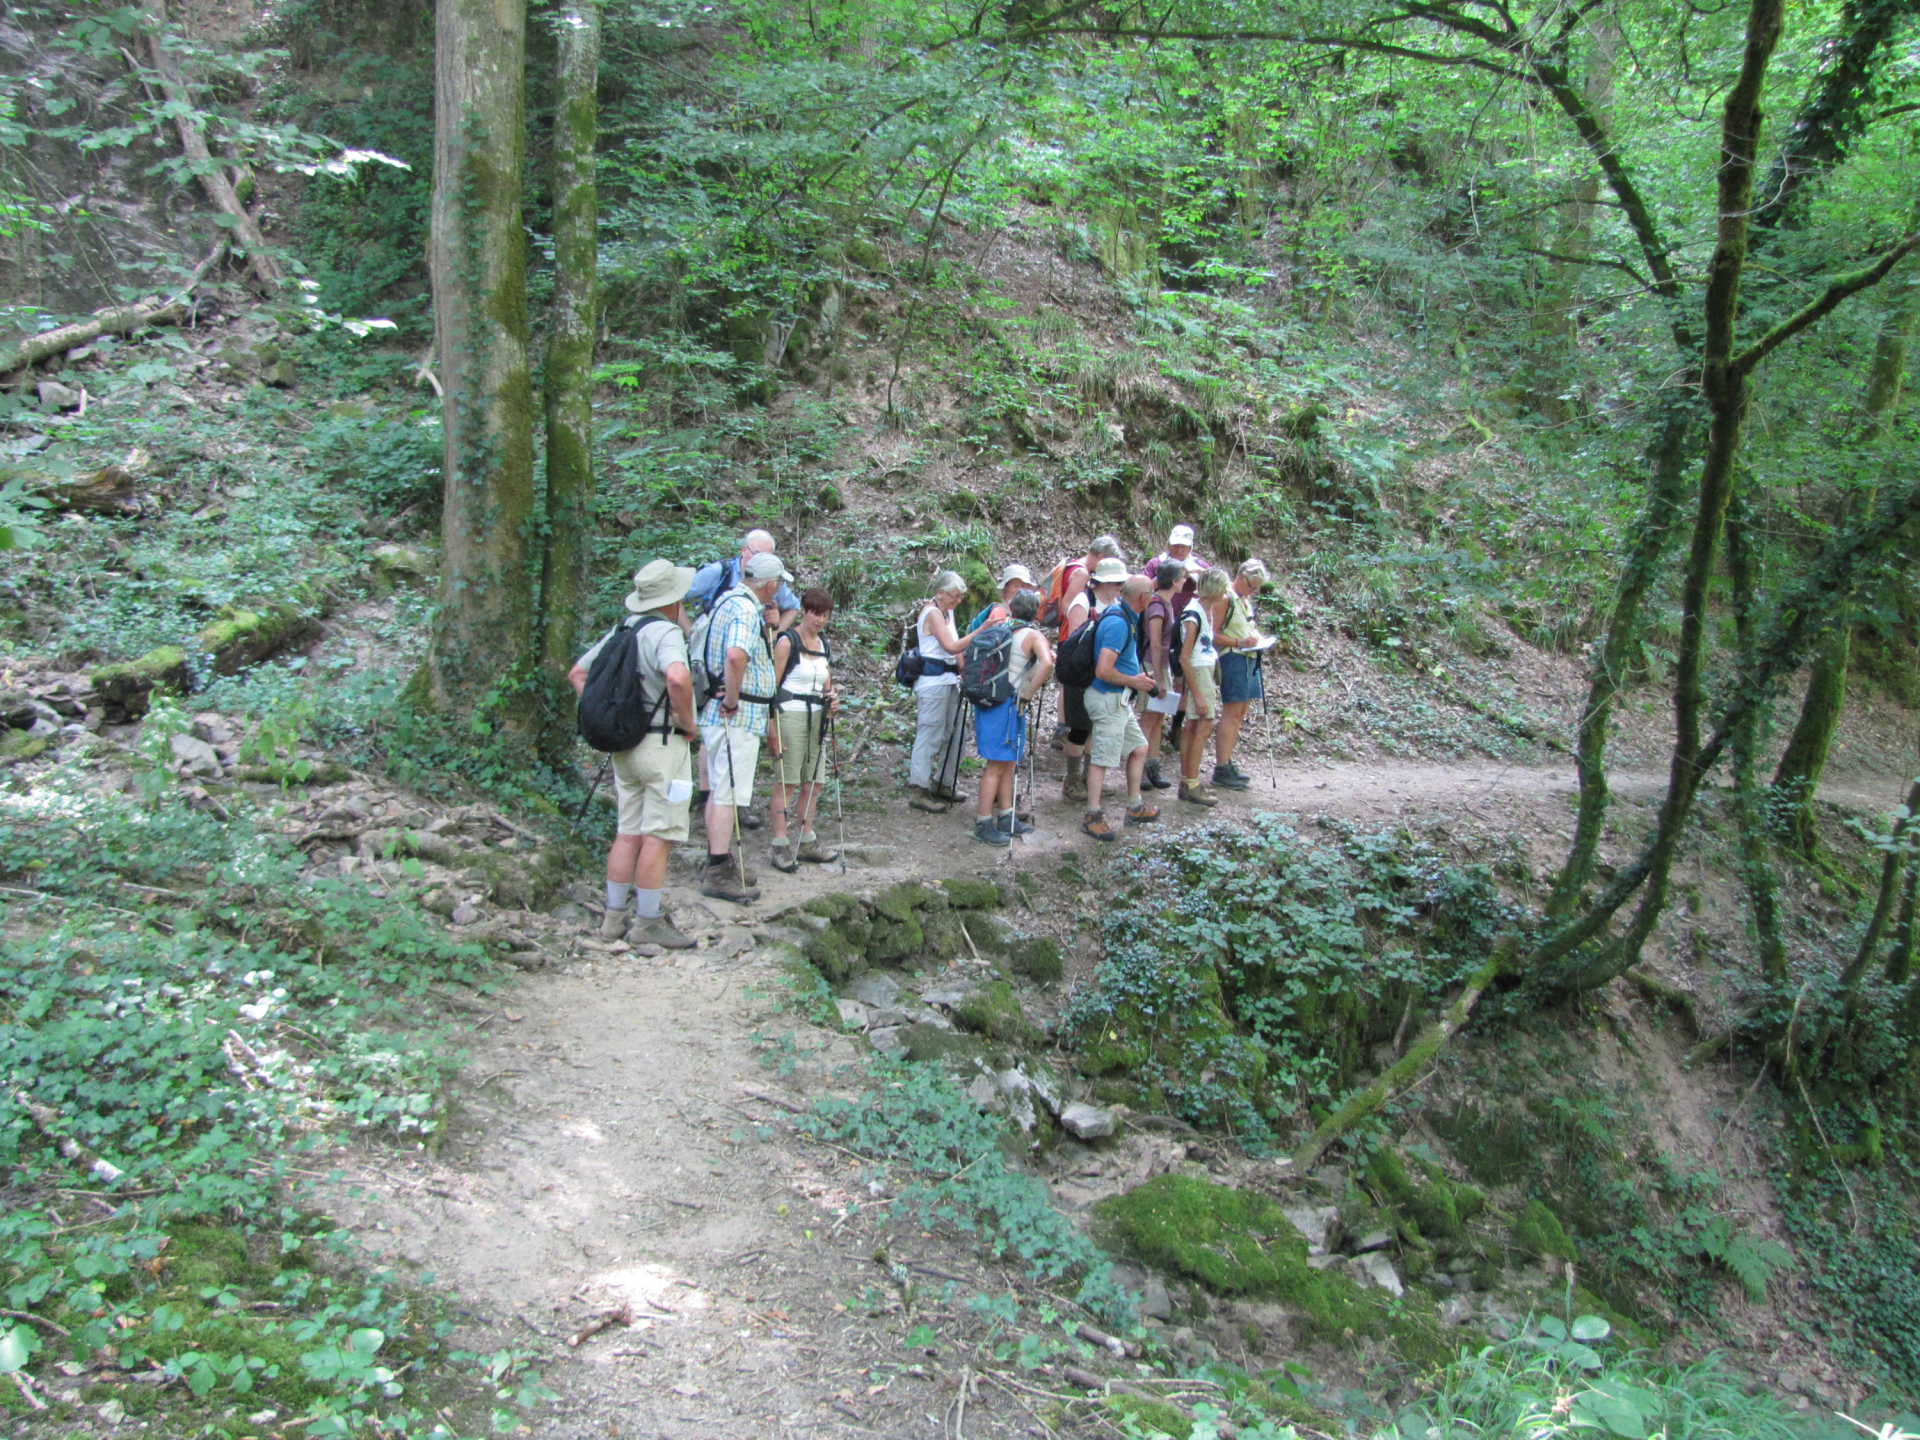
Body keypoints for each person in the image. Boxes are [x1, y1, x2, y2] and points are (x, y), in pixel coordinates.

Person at [567, 559, 702, 950]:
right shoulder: (666, 633)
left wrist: (612, 717)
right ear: (673, 598)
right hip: (663, 748)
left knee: (628, 832)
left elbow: (578, 674)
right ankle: (647, 922)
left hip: (625, 747)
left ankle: (613, 919)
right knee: (659, 836)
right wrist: (687, 722)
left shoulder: (622, 629)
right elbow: (677, 677)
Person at [698, 551, 787, 903]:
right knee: (728, 792)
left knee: (721, 787)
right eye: (778, 583)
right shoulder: (745, 609)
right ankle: (719, 870)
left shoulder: (728, 601)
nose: (778, 590)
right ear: (769, 583)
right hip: (737, 714)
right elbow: (736, 656)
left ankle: (715, 860)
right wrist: (732, 700)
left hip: (729, 713)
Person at [1081, 568, 1161, 842]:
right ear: (1143, 597)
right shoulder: (1118, 623)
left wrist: (1136, 679)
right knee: (1102, 759)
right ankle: (1092, 815)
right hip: (1108, 698)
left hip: (1119, 698)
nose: (1153, 598)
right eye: (1151, 594)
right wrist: (1134, 681)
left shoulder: (1128, 617)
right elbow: (1103, 670)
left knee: (1139, 748)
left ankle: (1135, 807)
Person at [971, 588, 1054, 846]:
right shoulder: (1032, 634)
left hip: (991, 700)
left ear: (1012, 607)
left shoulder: (1001, 627)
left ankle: (1006, 816)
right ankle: (983, 823)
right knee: (997, 766)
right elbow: (1048, 663)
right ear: (1037, 611)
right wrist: (1028, 694)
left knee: (1006, 763)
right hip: (1008, 704)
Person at [768, 588, 840, 872]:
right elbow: (770, 688)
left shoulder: (823, 645)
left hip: (817, 718)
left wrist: (833, 700)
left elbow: (827, 685)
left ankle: (807, 841)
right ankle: (780, 844)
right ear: (804, 611)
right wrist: (771, 728)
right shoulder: (787, 642)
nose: (819, 619)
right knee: (788, 781)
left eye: (824, 614)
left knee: (814, 781)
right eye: (815, 613)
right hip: (790, 715)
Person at [1050, 535, 1124, 801]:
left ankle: (1090, 777)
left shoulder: (1114, 604)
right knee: (1080, 728)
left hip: (1102, 675)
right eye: (1116, 582)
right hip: (1082, 676)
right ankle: (1071, 781)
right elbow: (1078, 641)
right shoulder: (1084, 602)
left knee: (1096, 728)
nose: (1119, 586)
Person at [909, 570, 984, 814]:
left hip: (950, 679)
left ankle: (944, 781)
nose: (958, 601)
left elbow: (956, 644)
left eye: (961, 596)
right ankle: (919, 789)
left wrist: (963, 670)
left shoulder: (947, 611)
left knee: (958, 733)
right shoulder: (932, 613)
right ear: (940, 593)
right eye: (954, 596)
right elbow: (951, 645)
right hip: (932, 683)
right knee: (930, 732)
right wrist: (981, 631)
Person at [1213, 558, 1272, 792]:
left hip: (1249, 658)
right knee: (1231, 711)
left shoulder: (1244, 600)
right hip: (1232, 658)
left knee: (1241, 712)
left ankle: (1228, 761)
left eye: (1257, 588)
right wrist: (1239, 641)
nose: (1254, 591)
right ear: (1240, 578)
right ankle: (1221, 767)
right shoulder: (1225, 598)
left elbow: (1249, 626)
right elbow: (1212, 634)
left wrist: (1256, 638)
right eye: (1252, 586)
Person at [1177, 567, 1229, 807]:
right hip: (1198, 671)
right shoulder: (1194, 613)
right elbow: (1185, 657)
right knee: (1203, 724)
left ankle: (1189, 780)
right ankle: (1192, 783)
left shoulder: (1205, 611)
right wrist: (1197, 693)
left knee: (1194, 725)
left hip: (1204, 669)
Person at [687, 528, 802, 630]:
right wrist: (691, 632)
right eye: (757, 554)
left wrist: (776, 633)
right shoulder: (719, 572)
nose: (761, 561)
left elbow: (793, 606)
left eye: (767, 558)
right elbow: (676, 596)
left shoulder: (772, 579)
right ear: (744, 550)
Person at [1138, 558, 1185, 791]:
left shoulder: (1166, 604)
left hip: (1162, 665)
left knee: (1158, 718)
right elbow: (1155, 643)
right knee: (1148, 718)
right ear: (1175, 581)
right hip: (1151, 665)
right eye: (1183, 578)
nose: (1185, 582)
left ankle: (1152, 764)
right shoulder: (1157, 606)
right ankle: (1139, 768)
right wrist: (1158, 677)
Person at [1142, 523, 1208, 610]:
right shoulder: (1155, 563)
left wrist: (1201, 573)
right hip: (1157, 612)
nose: (1179, 550)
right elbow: (1141, 591)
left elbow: (1219, 587)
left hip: (1189, 616)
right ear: (1169, 545)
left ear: (1190, 548)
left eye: (1184, 547)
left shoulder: (1200, 565)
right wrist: (1164, 577)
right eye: (1176, 546)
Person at [966, 563, 1037, 634]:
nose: (1019, 590)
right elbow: (995, 639)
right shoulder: (999, 611)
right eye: (1015, 586)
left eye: (1023, 586)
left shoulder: (1022, 615)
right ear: (1005, 588)